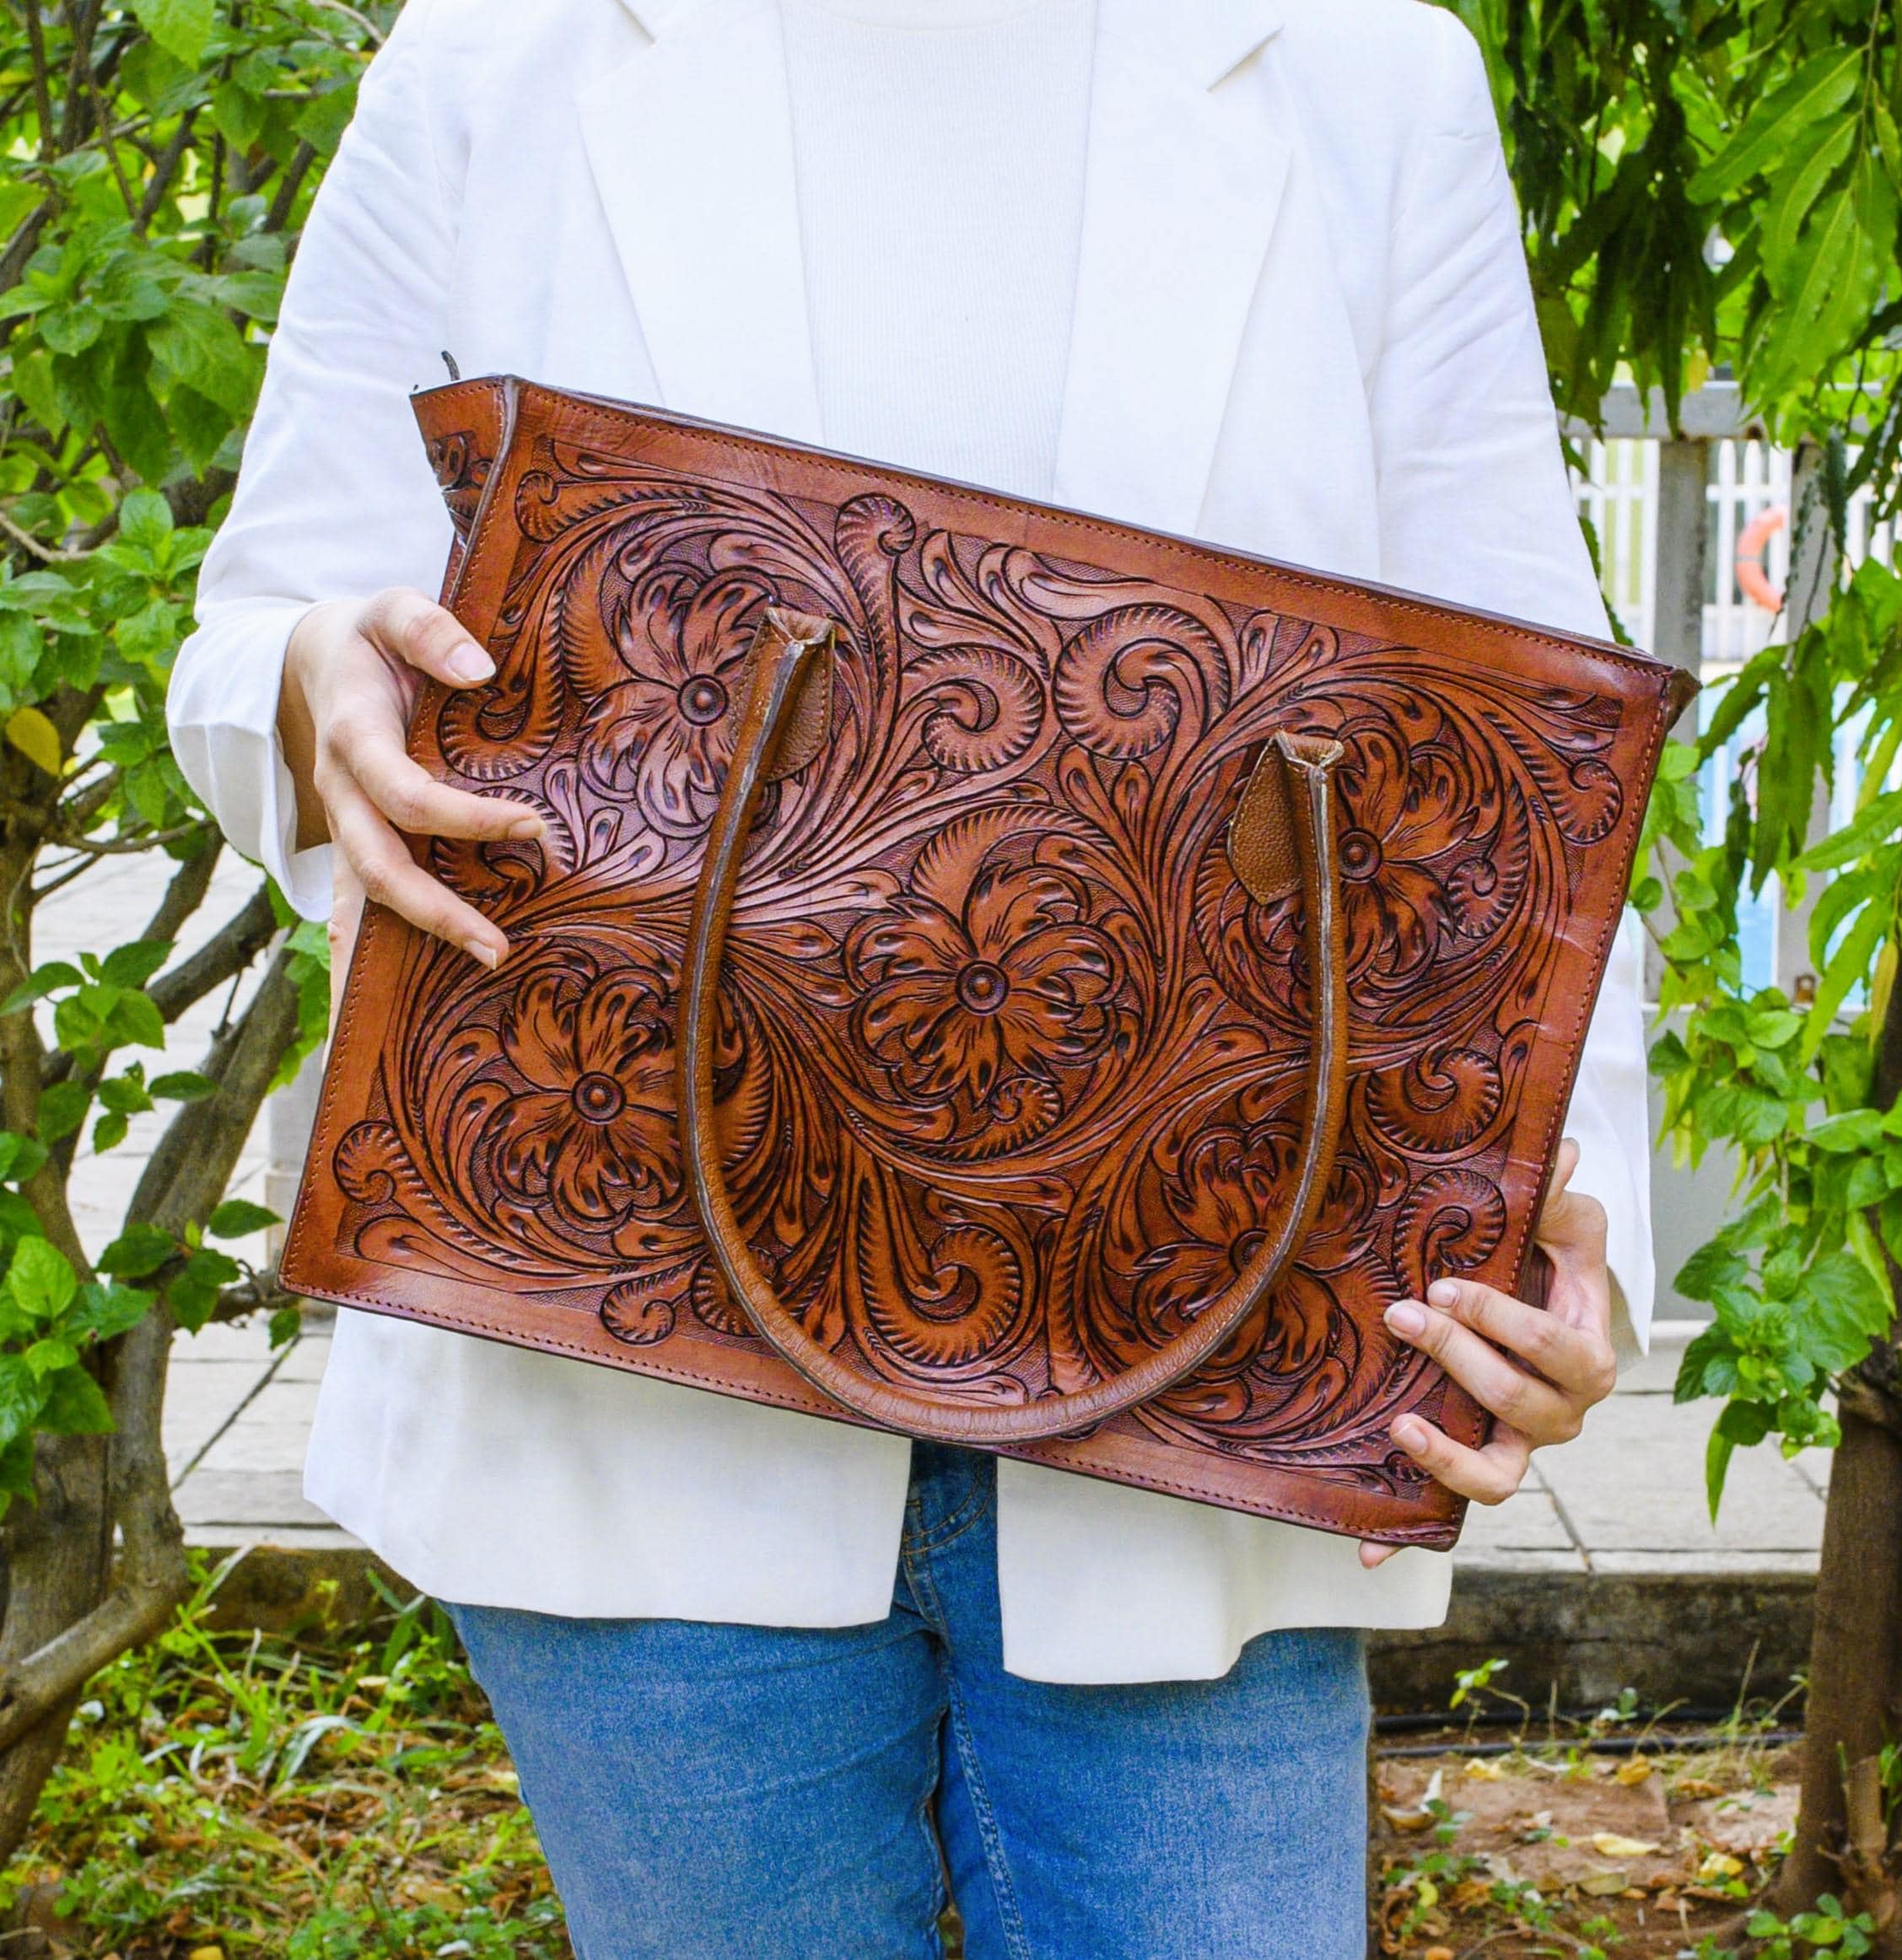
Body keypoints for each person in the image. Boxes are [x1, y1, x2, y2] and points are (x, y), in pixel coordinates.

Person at [167, 0, 1654, 1953]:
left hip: (1204, 1343)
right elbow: (266, 612)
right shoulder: (497, 51)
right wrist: (305, 682)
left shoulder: (1359, 65)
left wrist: (1567, 1223)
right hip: (618, 1351)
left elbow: (1524, 745)